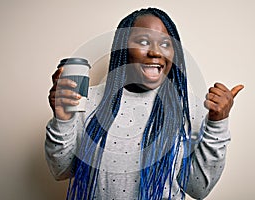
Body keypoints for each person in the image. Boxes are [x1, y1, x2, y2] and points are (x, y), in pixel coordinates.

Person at [46, 7, 243, 200]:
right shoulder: (87, 101)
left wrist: (217, 124)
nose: (156, 52)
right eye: (143, 41)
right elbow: (61, 171)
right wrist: (62, 119)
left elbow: (198, 189)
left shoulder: (188, 108)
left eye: (165, 44)